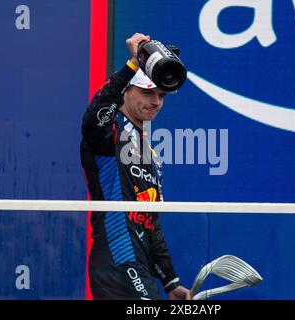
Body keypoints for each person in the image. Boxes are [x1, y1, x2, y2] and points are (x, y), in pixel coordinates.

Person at [80, 33, 191, 300]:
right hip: (116, 262)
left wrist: (170, 282)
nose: (156, 102)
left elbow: (151, 223)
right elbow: (94, 119)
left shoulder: (151, 155)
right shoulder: (109, 134)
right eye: (146, 92)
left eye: (161, 95)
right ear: (125, 92)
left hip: (138, 267)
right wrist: (131, 65)